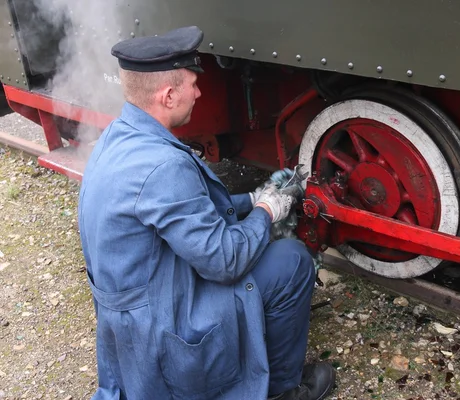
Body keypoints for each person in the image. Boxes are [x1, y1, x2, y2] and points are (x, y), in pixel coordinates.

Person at [77, 25, 336, 399]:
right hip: (164, 326)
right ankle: (281, 391)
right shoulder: (164, 167)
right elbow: (225, 261)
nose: (199, 92)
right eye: (192, 84)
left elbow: (185, 213)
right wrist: (267, 210)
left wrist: (252, 198)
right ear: (168, 96)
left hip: (134, 316)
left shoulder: (119, 138)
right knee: (291, 261)